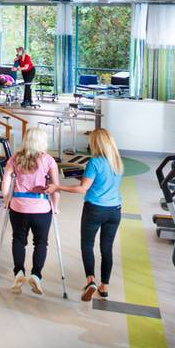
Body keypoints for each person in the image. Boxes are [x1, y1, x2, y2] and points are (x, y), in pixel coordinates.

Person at [46, 128, 124, 302]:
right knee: (107, 248)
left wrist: (58, 187)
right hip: (115, 210)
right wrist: (85, 177)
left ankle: (91, 281)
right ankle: (104, 287)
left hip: (95, 209)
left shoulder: (94, 163)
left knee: (87, 244)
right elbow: (104, 182)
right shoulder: (118, 162)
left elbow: (82, 189)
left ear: (96, 143)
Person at [2, 127, 59, 295]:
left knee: (19, 240)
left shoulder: (15, 159)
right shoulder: (48, 160)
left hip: (18, 206)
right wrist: (55, 206)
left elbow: (5, 181)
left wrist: (6, 199)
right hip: (41, 208)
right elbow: (55, 187)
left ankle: (19, 272)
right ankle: (36, 275)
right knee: (41, 242)